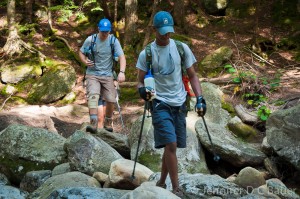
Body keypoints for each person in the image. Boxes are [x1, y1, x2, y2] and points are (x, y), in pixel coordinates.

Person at [136, 11, 206, 197]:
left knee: (170, 147)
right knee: (172, 144)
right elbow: (139, 81)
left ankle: (160, 181)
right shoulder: (147, 54)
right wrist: (142, 91)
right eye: (162, 32)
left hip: (180, 102)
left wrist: (200, 98)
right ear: (154, 30)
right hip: (159, 103)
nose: (166, 35)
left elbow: (192, 75)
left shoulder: (182, 48)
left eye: (169, 31)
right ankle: (176, 188)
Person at [79, 18, 126, 132]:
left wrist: (121, 72)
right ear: (98, 29)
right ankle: (93, 123)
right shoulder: (91, 40)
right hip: (92, 74)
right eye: (103, 31)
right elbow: (81, 52)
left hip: (107, 75)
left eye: (107, 31)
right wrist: (85, 61)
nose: (105, 33)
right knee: (93, 95)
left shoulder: (113, 41)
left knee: (111, 99)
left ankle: (108, 121)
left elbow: (122, 57)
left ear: (110, 30)